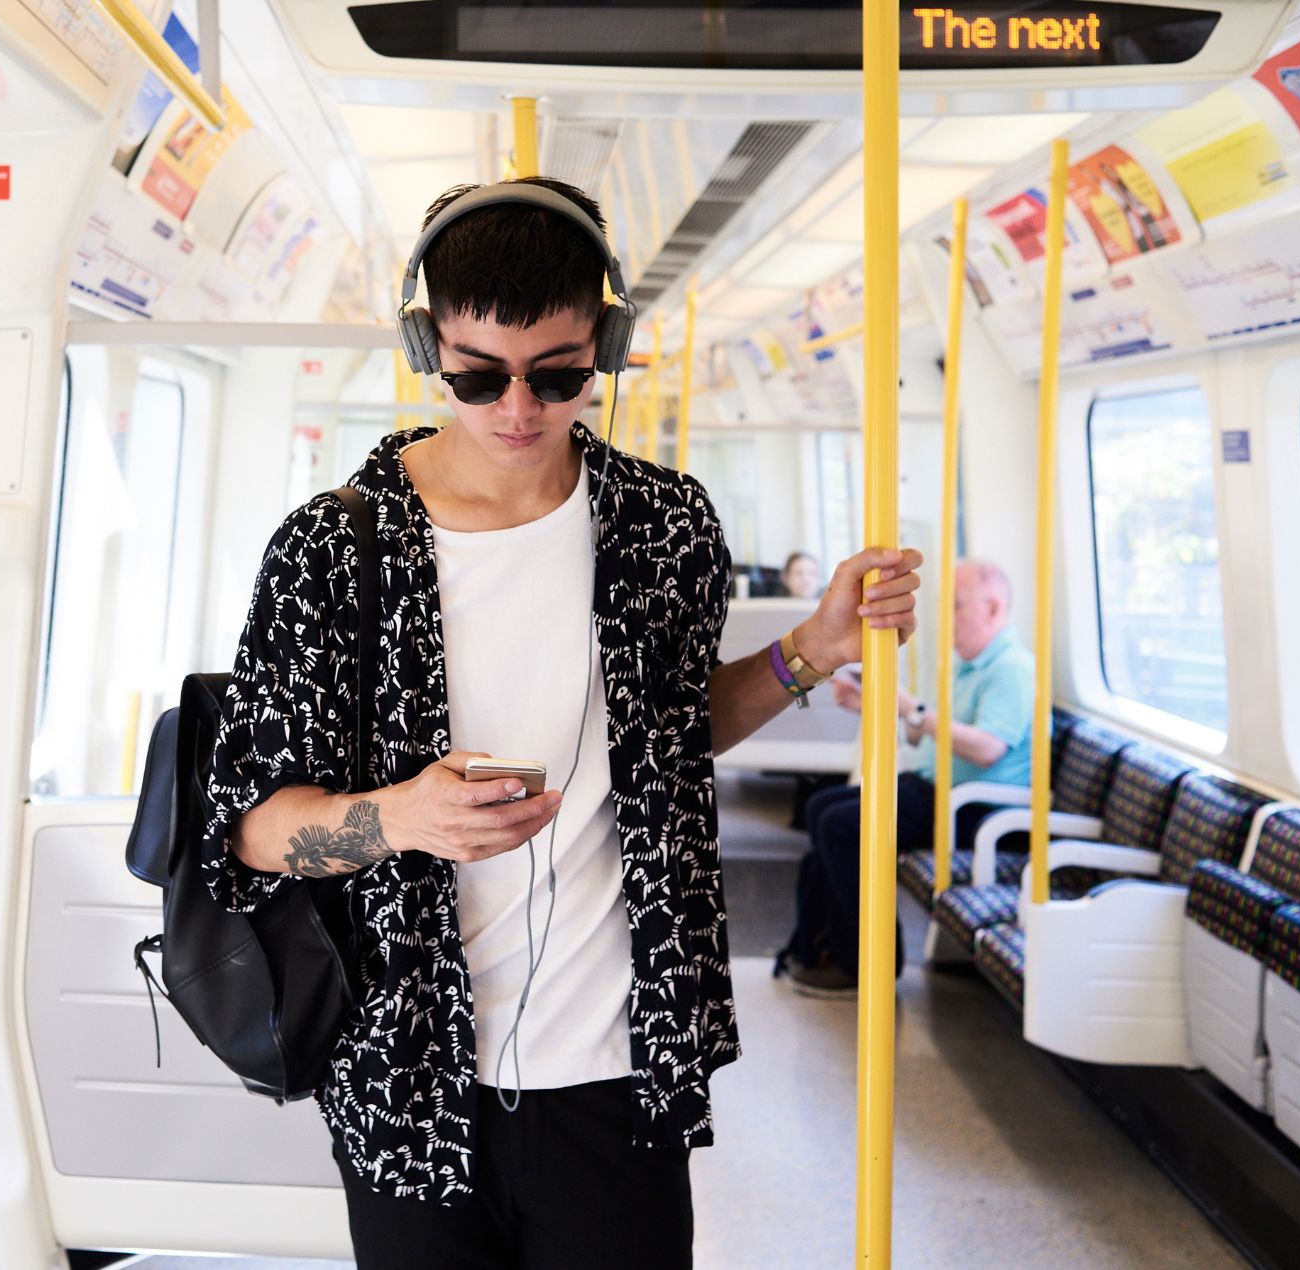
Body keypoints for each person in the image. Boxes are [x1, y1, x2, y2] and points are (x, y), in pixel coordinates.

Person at [198, 175, 923, 1269]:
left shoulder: (667, 528)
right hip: (406, 1071)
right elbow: (250, 830)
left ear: (609, 343)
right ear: (423, 344)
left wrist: (807, 650)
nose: (518, 409)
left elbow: (673, 737)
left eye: (560, 373)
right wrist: (398, 819)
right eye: (477, 375)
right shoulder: (330, 553)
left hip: (620, 1064)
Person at [776, 558, 1035, 996]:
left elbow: (988, 748)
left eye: (956, 606)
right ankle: (820, 945)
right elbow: (930, 734)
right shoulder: (968, 665)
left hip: (978, 809)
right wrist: (874, 705)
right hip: (940, 790)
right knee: (821, 807)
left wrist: (911, 709)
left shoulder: (1010, 667)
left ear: (993, 609)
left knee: (841, 826)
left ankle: (867, 965)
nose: (946, 619)